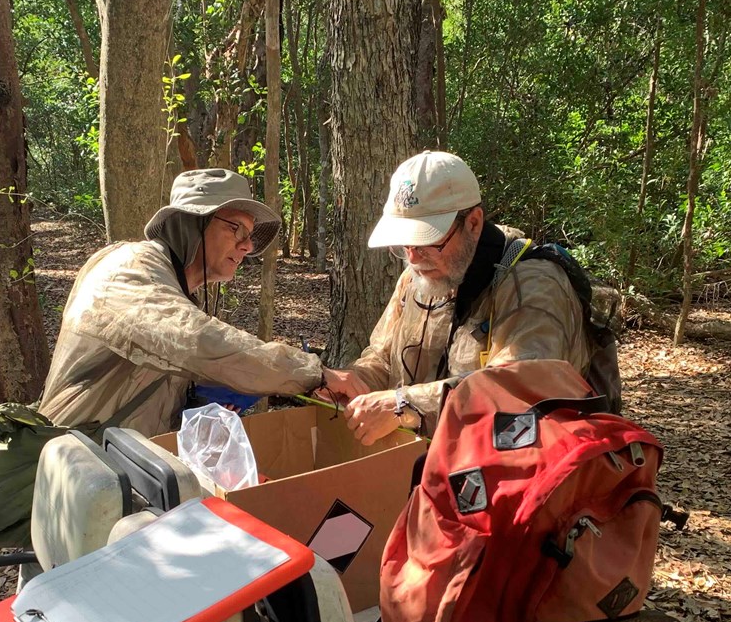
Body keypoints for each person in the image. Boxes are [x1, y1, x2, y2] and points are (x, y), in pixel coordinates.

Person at [38, 168, 360, 435]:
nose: (247, 246)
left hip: (119, 475)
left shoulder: (175, 291)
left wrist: (195, 407)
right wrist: (312, 373)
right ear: (192, 223)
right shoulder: (130, 268)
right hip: (73, 475)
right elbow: (195, 340)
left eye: (249, 235)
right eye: (237, 230)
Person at [338, 151, 595, 445]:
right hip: (424, 468)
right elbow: (383, 359)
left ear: (473, 223)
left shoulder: (535, 287)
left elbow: (518, 394)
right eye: (404, 244)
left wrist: (404, 405)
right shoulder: (418, 275)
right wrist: (354, 383)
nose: (413, 257)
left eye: (428, 242)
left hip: (515, 478)